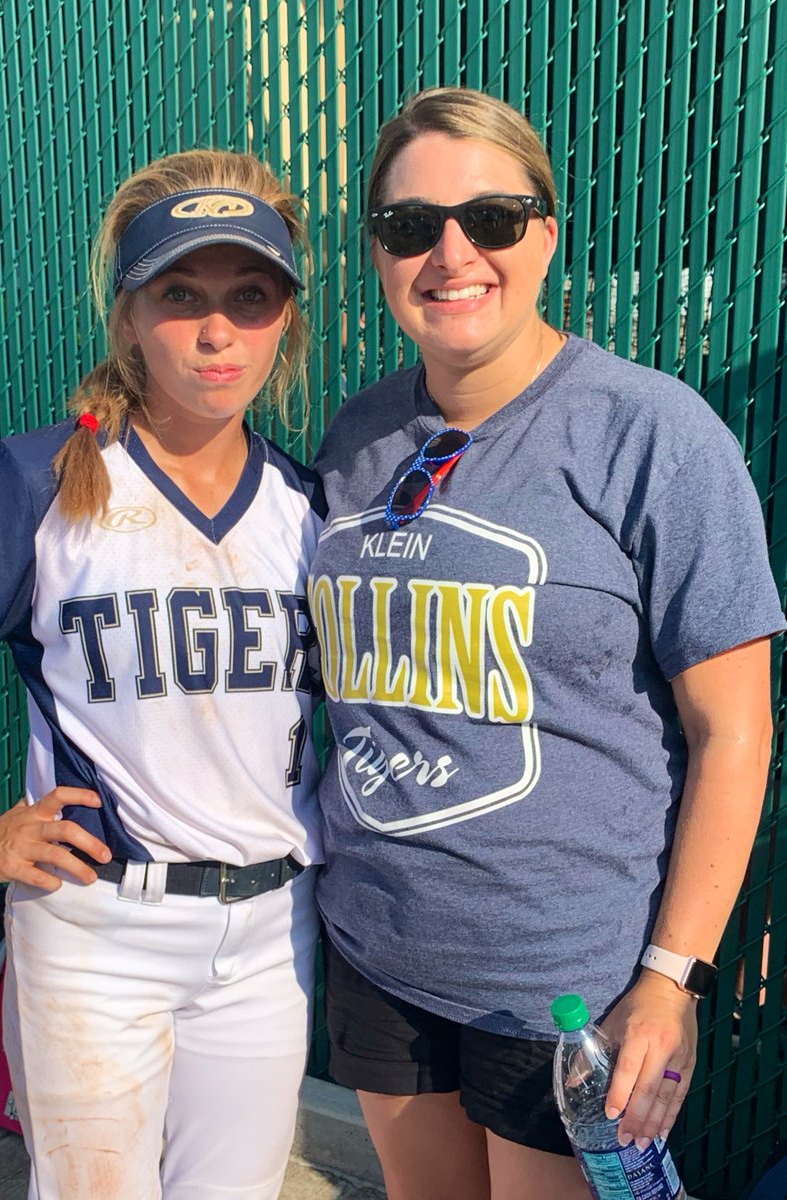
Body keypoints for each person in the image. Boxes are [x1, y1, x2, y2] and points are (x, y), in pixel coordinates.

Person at [309, 87, 785, 1200]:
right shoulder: (359, 436)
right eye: (410, 226)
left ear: (548, 234)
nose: (452, 252)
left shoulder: (652, 433)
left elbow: (735, 732)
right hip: (378, 945)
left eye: (493, 218)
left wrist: (672, 978)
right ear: (379, 253)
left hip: (563, 987)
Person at [0, 150, 325, 1200]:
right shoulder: (36, 480)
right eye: (181, 295)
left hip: (271, 938)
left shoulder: (312, 505)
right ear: (128, 315)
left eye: (249, 296)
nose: (218, 331)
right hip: (99, 931)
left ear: (286, 323)